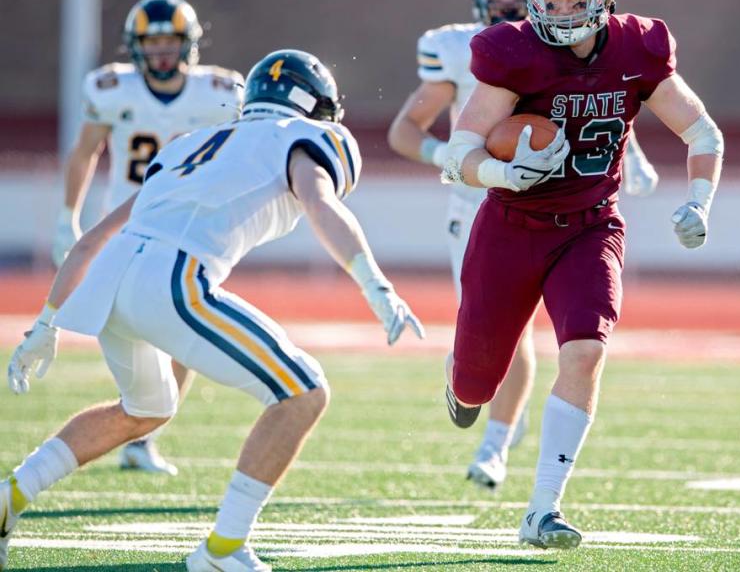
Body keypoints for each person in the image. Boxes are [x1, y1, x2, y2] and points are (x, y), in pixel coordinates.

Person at [2, 49, 424, 572]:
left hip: (112, 278)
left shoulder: (189, 143)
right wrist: (374, 283)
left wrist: (44, 322)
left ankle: (10, 493)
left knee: (145, 409)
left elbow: (92, 239)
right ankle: (223, 549)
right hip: (173, 276)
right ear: (313, 104)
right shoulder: (306, 137)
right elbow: (319, 202)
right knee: (302, 392)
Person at [440, 0, 724, 550]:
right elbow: (457, 150)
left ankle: (542, 510)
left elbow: (703, 133)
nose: (561, 9)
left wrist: (700, 200)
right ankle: (462, 383)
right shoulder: (512, 52)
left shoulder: (639, 49)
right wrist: (501, 171)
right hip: (511, 227)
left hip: (591, 227)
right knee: (474, 384)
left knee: (587, 350)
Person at [388, 0, 659, 491]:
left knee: (532, 337)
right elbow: (403, 132)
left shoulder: (568, 35)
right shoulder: (465, 47)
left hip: (563, 205)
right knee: (488, 334)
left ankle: (495, 447)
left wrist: (632, 156)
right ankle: (474, 399)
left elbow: (602, 101)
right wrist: (462, 163)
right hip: (479, 202)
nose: (508, 3)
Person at [52, 0, 244, 475]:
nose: (161, 52)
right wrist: (67, 216)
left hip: (188, 228)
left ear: (188, 45)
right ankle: (138, 421)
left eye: (170, 41)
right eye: (151, 42)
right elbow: (85, 153)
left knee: (185, 332)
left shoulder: (219, 92)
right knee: (140, 333)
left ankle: (145, 438)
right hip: (129, 225)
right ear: (134, 47)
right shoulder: (112, 88)